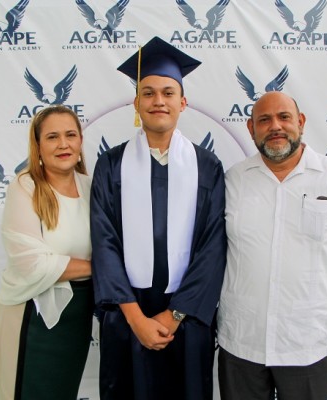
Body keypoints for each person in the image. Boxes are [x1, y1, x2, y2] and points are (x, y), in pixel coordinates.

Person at [217, 91, 327, 400]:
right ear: (251, 129)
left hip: (308, 342)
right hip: (242, 341)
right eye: (264, 120)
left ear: (300, 122)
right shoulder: (233, 181)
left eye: (284, 117)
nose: (275, 126)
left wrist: (316, 281)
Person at [90, 36, 227, 400]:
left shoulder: (208, 167)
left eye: (168, 93)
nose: (158, 101)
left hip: (187, 319)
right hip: (126, 317)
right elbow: (103, 243)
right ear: (136, 103)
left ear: (183, 102)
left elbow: (212, 248)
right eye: (148, 93)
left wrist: (174, 315)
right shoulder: (111, 164)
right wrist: (136, 319)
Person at [0, 105, 94, 400]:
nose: (63, 144)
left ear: (80, 142)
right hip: (31, 317)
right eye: (52, 137)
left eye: (70, 135)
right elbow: (32, 265)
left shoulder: (91, 186)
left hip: (77, 316)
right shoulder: (25, 187)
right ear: (38, 145)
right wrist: (101, 267)